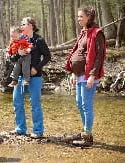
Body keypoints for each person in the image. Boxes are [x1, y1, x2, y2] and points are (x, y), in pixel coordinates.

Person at [65, 6, 106, 147]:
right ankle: (84, 131)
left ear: (89, 17)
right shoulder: (83, 32)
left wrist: (92, 75)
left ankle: (87, 137)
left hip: (89, 75)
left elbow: (99, 56)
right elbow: (78, 52)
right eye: (77, 16)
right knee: (79, 103)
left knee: (86, 105)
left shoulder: (97, 33)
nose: (78, 19)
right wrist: (73, 72)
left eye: (81, 16)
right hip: (79, 74)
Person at [11, 17, 51, 138]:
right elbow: (11, 57)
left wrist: (36, 68)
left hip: (35, 77)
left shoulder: (39, 40)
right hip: (20, 77)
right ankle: (20, 128)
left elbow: (47, 56)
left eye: (24, 24)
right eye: (21, 24)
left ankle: (38, 131)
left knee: (35, 103)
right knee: (17, 101)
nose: (21, 26)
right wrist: (18, 53)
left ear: (31, 26)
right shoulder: (19, 39)